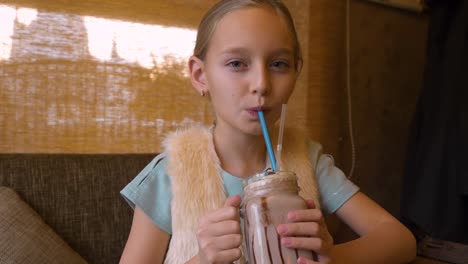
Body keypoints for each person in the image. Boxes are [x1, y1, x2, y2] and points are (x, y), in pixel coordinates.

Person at [119, 0, 417, 263]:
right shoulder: (171, 175)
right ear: (200, 75)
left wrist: (331, 257)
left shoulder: (308, 161)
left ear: (296, 73)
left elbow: (400, 240)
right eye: (237, 63)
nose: (261, 83)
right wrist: (201, 260)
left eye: (278, 64)